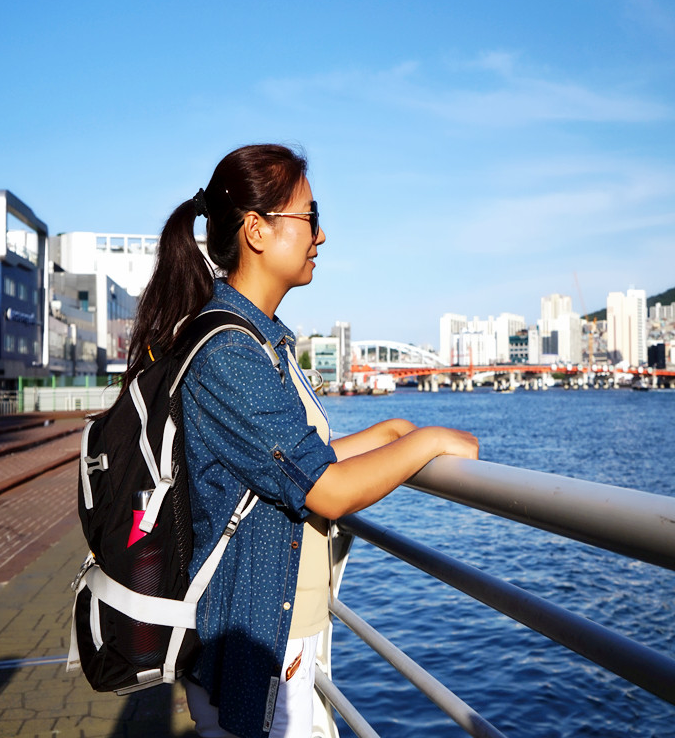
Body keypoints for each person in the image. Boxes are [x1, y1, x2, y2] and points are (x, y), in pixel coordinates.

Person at [122, 144, 478, 738]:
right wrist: (430, 441)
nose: (320, 235)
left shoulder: (261, 340)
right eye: (310, 218)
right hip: (262, 640)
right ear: (258, 230)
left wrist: (383, 435)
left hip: (285, 632)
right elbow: (327, 491)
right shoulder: (230, 353)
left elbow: (288, 462)